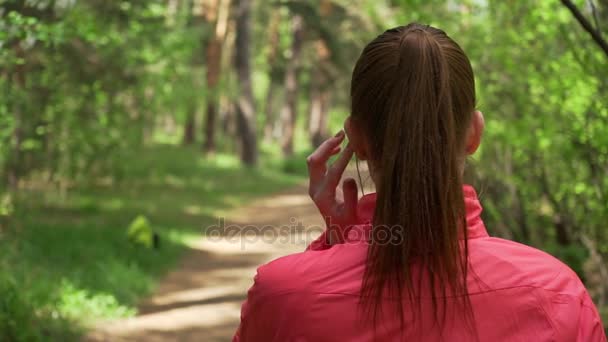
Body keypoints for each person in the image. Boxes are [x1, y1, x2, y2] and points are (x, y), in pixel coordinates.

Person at [233, 23, 606, 341]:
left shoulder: (282, 296)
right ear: (474, 133)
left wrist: (338, 242)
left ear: (356, 139)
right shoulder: (557, 293)